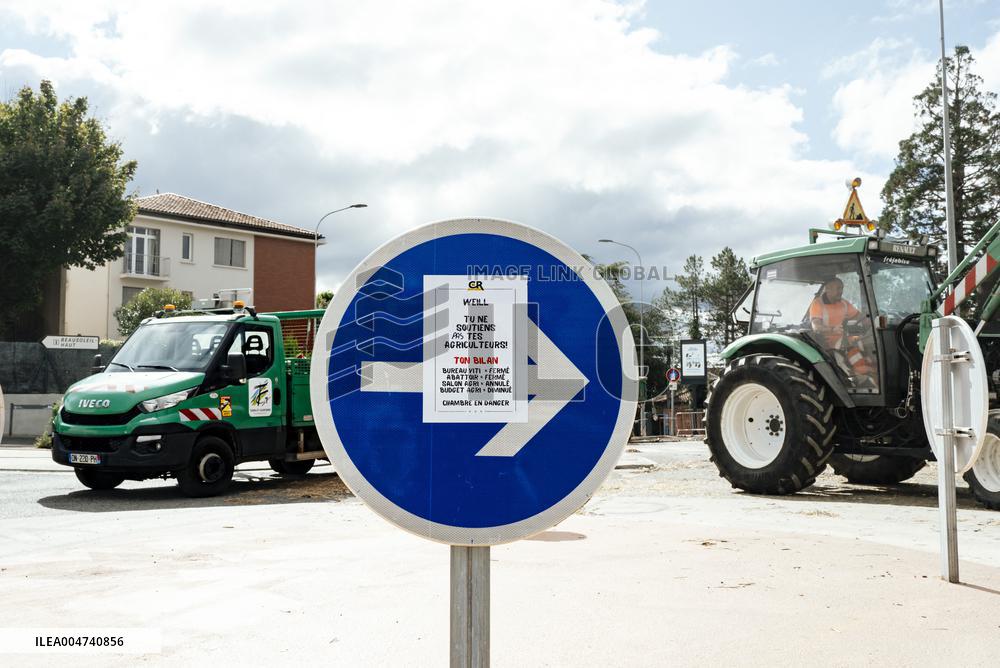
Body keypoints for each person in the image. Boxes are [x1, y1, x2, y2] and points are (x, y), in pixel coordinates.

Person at [809, 277, 874, 383]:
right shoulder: (818, 304)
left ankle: (868, 374)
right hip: (826, 343)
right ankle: (861, 378)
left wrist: (874, 321)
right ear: (828, 289)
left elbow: (861, 317)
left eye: (842, 288)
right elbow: (816, 327)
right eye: (838, 288)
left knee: (867, 343)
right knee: (854, 349)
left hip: (844, 339)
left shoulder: (844, 303)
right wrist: (833, 329)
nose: (841, 291)